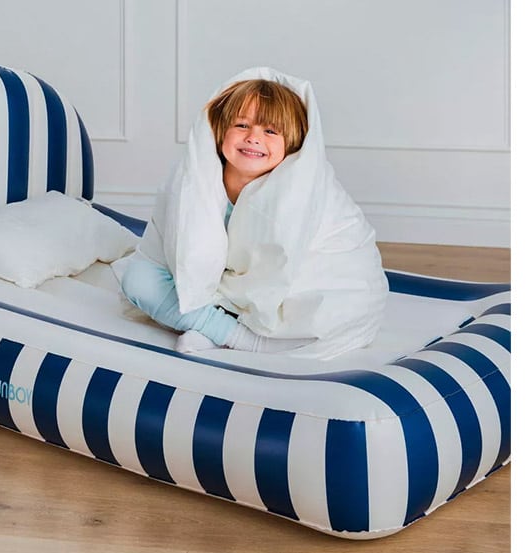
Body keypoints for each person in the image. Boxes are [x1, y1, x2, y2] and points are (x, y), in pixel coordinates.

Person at [118, 67, 388, 359]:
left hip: (288, 285)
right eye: (242, 125)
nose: (253, 138)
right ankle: (227, 331)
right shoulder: (194, 178)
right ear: (219, 130)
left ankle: (241, 335)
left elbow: (285, 267)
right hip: (225, 287)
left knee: (336, 310)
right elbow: (166, 245)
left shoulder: (301, 190)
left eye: (270, 131)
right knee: (138, 280)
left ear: (293, 142)